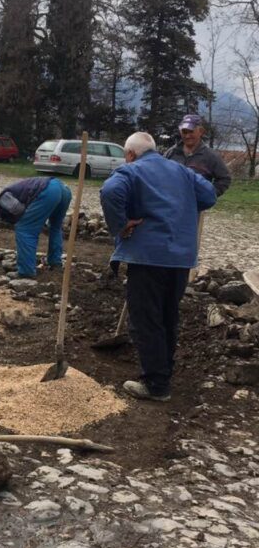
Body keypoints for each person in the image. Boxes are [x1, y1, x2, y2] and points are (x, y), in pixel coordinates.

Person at [100, 131, 217, 402]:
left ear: (129, 154)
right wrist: (179, 204)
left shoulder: (132, 171)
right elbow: (209, 195)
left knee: (146, 320)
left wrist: (121, 224)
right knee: (167, 316)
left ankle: (156, 385)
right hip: (180, 258)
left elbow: (109, 191)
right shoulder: (181, 170)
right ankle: (164, 373)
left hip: (149, 256)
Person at [0, 176, 72, 279]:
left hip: (48, 190)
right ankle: (55, 262)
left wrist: (26, 222)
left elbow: (19, 210)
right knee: (55, 227)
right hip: (62, 188)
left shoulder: (3, 199)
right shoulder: (15, 191)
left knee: (25, 229)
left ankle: (26, 271)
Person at [166, 114, 231, 196]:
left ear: (201, 131)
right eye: (184, 132)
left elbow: (224, 179)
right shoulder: (171, 153)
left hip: (196, 206)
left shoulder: (210, 156)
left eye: (191, 131)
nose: (187, 136)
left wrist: (209, 194)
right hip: (171, 203)